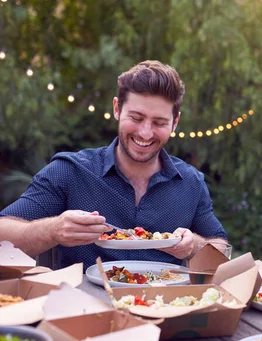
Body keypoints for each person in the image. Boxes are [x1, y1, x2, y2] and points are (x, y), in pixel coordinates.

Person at [0, 60, 227, 269]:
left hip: (164, 306)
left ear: (175, 122)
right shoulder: (69, 171)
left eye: (159, 122)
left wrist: (193, 246)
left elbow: (222, 250)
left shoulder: (191, 183)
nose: (145, 133)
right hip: (81, 306)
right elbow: (3, 234)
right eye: (136, 118)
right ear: (117, 109)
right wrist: (53, 230)